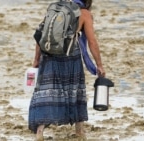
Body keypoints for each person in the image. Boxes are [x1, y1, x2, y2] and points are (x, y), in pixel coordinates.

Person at [28, 0, 105, 140]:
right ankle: (79, 131)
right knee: (75, 89)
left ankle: (40, 132)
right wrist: (99, 65)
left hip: (49, 55)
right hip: (70, 56)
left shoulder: (56, 8)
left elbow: (41, 34)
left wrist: (36, 60)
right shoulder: (84, 14)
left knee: (47, 90)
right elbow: (92, 41)